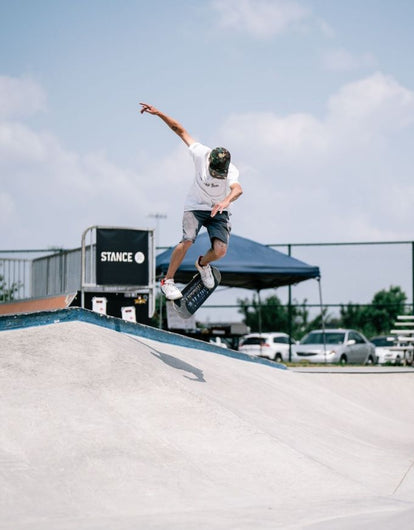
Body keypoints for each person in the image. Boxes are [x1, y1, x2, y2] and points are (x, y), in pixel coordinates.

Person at [139, 102, 243, 300]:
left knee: (220, 251)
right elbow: (179, 130)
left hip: (219, 210)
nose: (216, 176)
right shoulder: (200, 153)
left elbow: (238, 189)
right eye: (214, 172)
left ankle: (203, 264)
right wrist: (159, 113)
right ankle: (168, 281)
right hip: (195, 206)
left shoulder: (232, 171)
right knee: (187, 240)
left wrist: (225, 202)